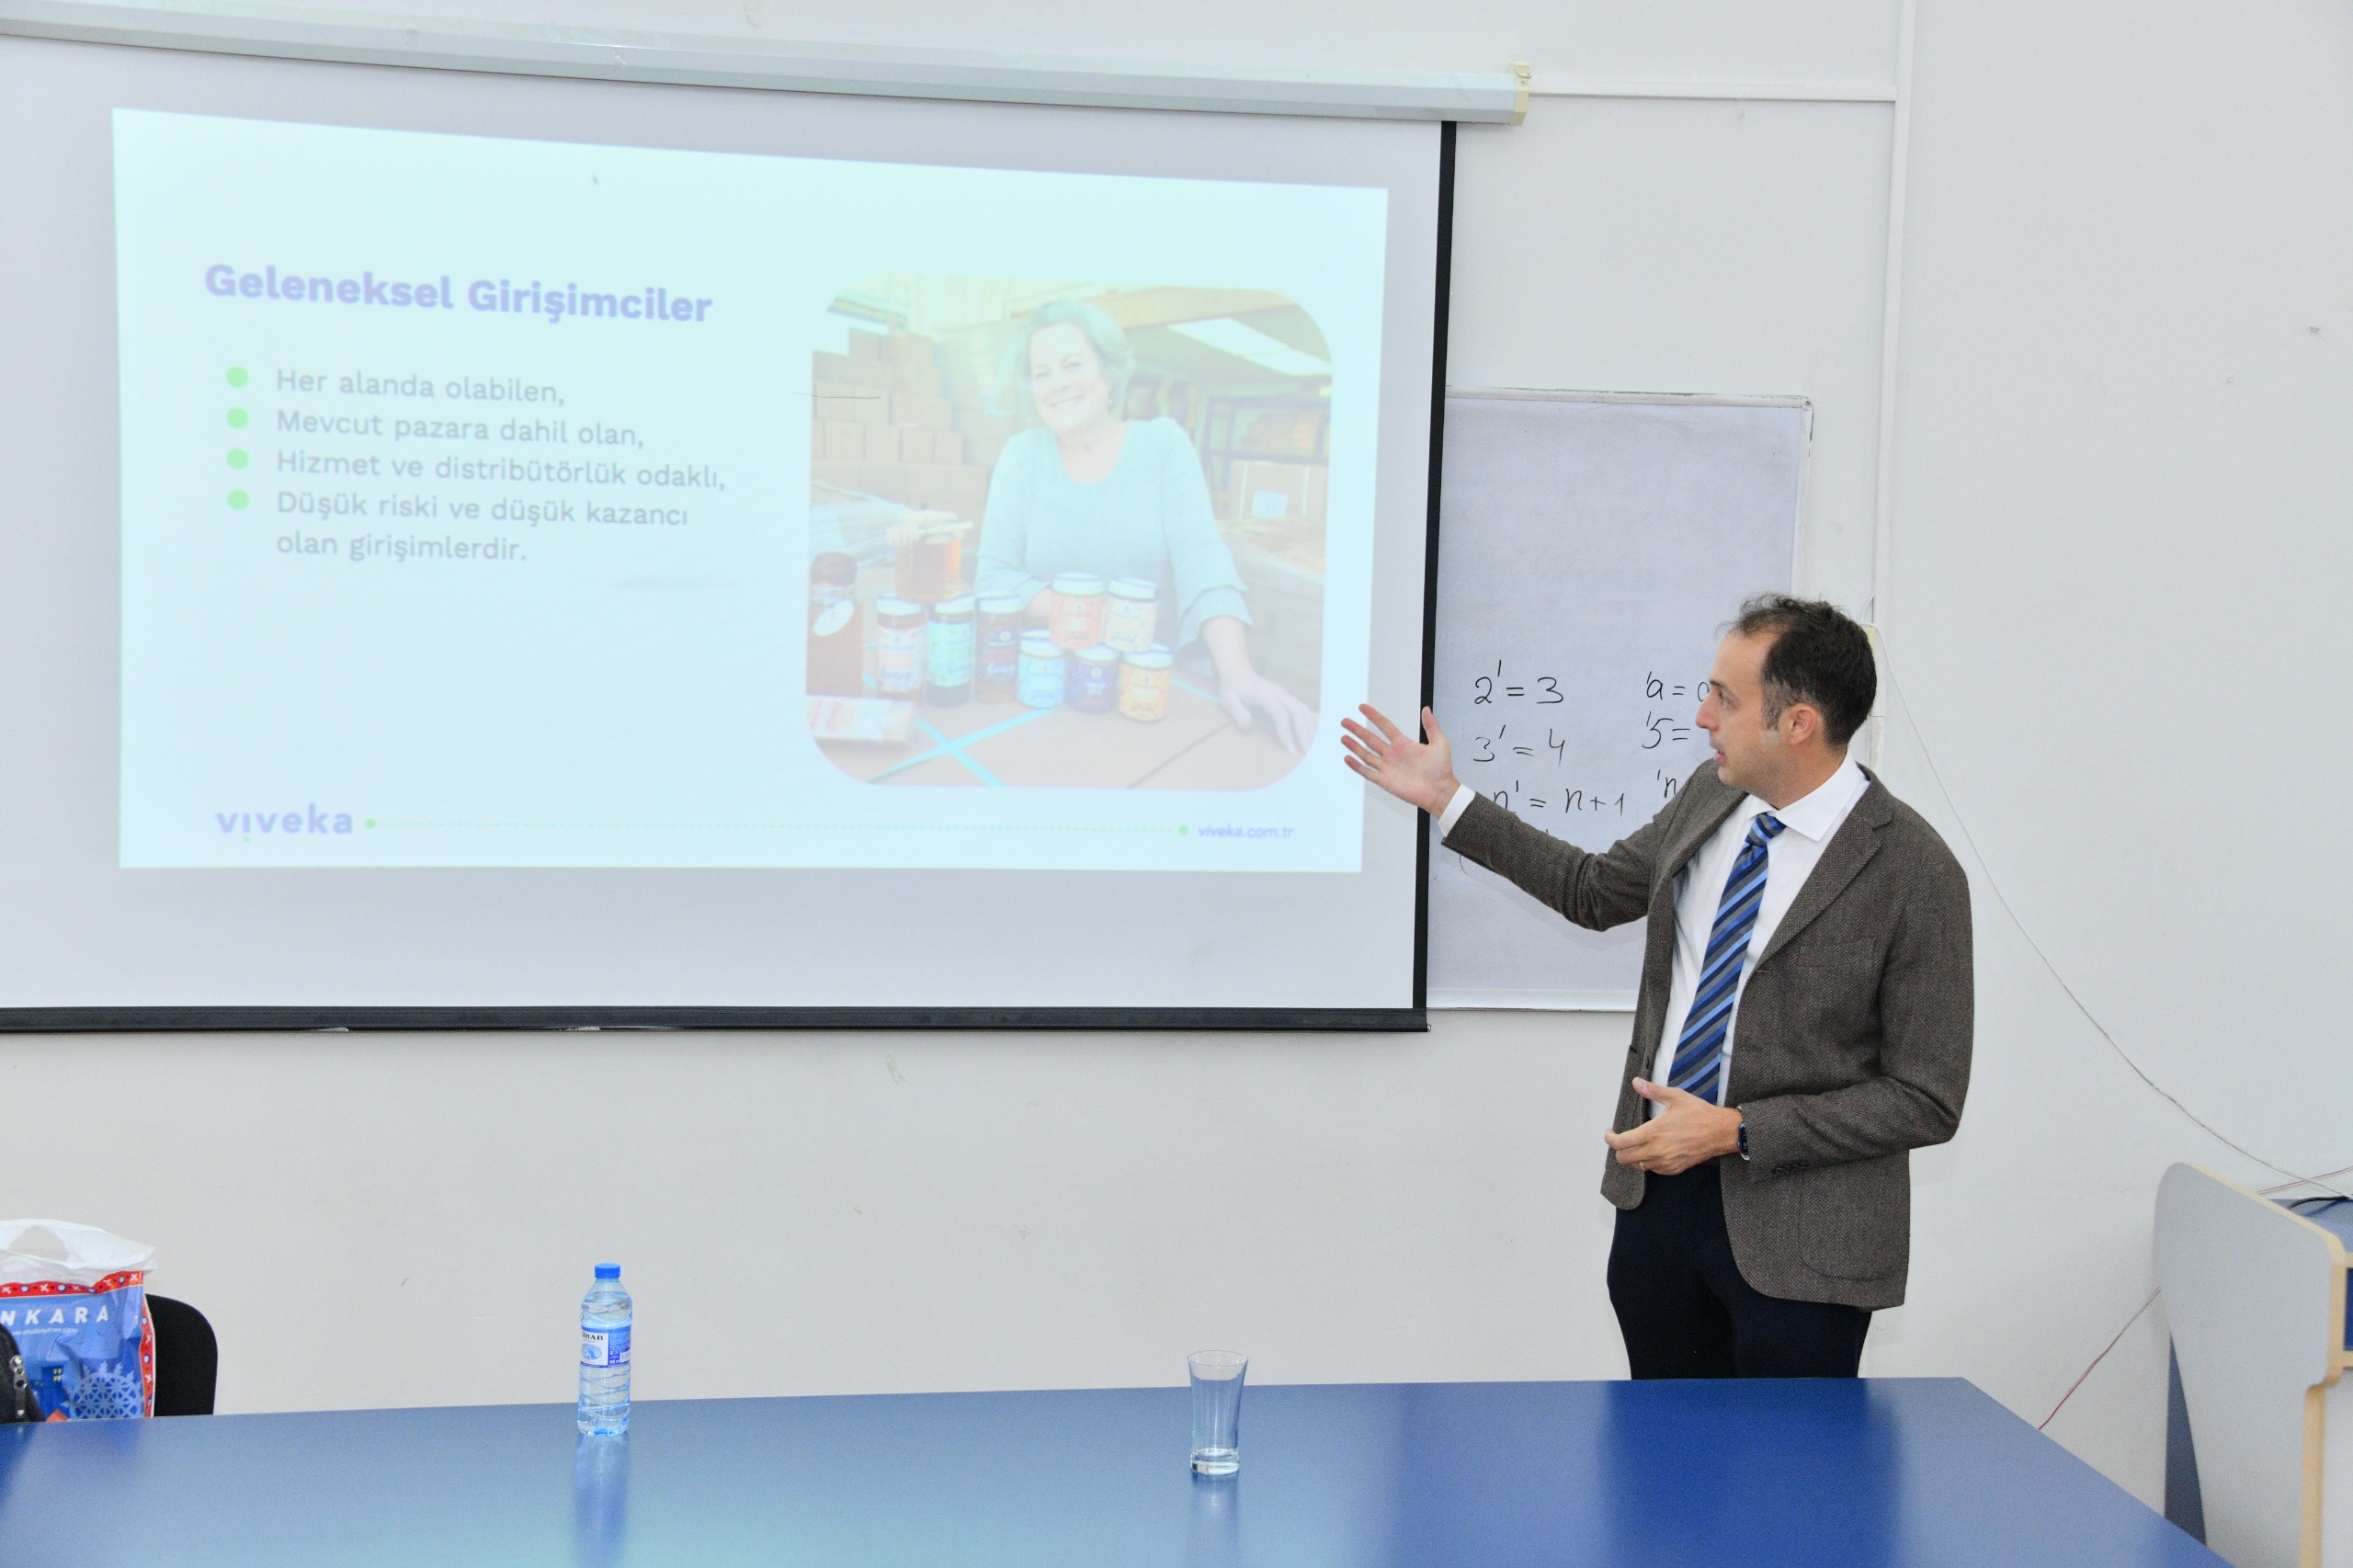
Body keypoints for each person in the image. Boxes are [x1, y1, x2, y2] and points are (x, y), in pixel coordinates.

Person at [1341, 596, 1972, 1378]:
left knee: (1787, 1460)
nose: (1702, 716)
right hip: (1659, 1205)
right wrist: (1448, 799)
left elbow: (1926, 1098)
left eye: (1725, 698)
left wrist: (1738, 1130)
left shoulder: (1915, 871)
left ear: (1798, 723)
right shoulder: (1712, 796)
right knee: (1657, 1447)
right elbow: (1594, 889)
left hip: (1804, 1246)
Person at [973, 301, 1316, 752]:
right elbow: (993, 578)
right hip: (1043, 689)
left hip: (1148, 694)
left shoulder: (1163, 446)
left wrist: (1237, 672)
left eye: (1072, 365)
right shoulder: (1022, 456)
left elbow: (1204, 564)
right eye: (1042, 373)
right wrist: (1094, 615)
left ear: (1109, 371)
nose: (1057, 383)